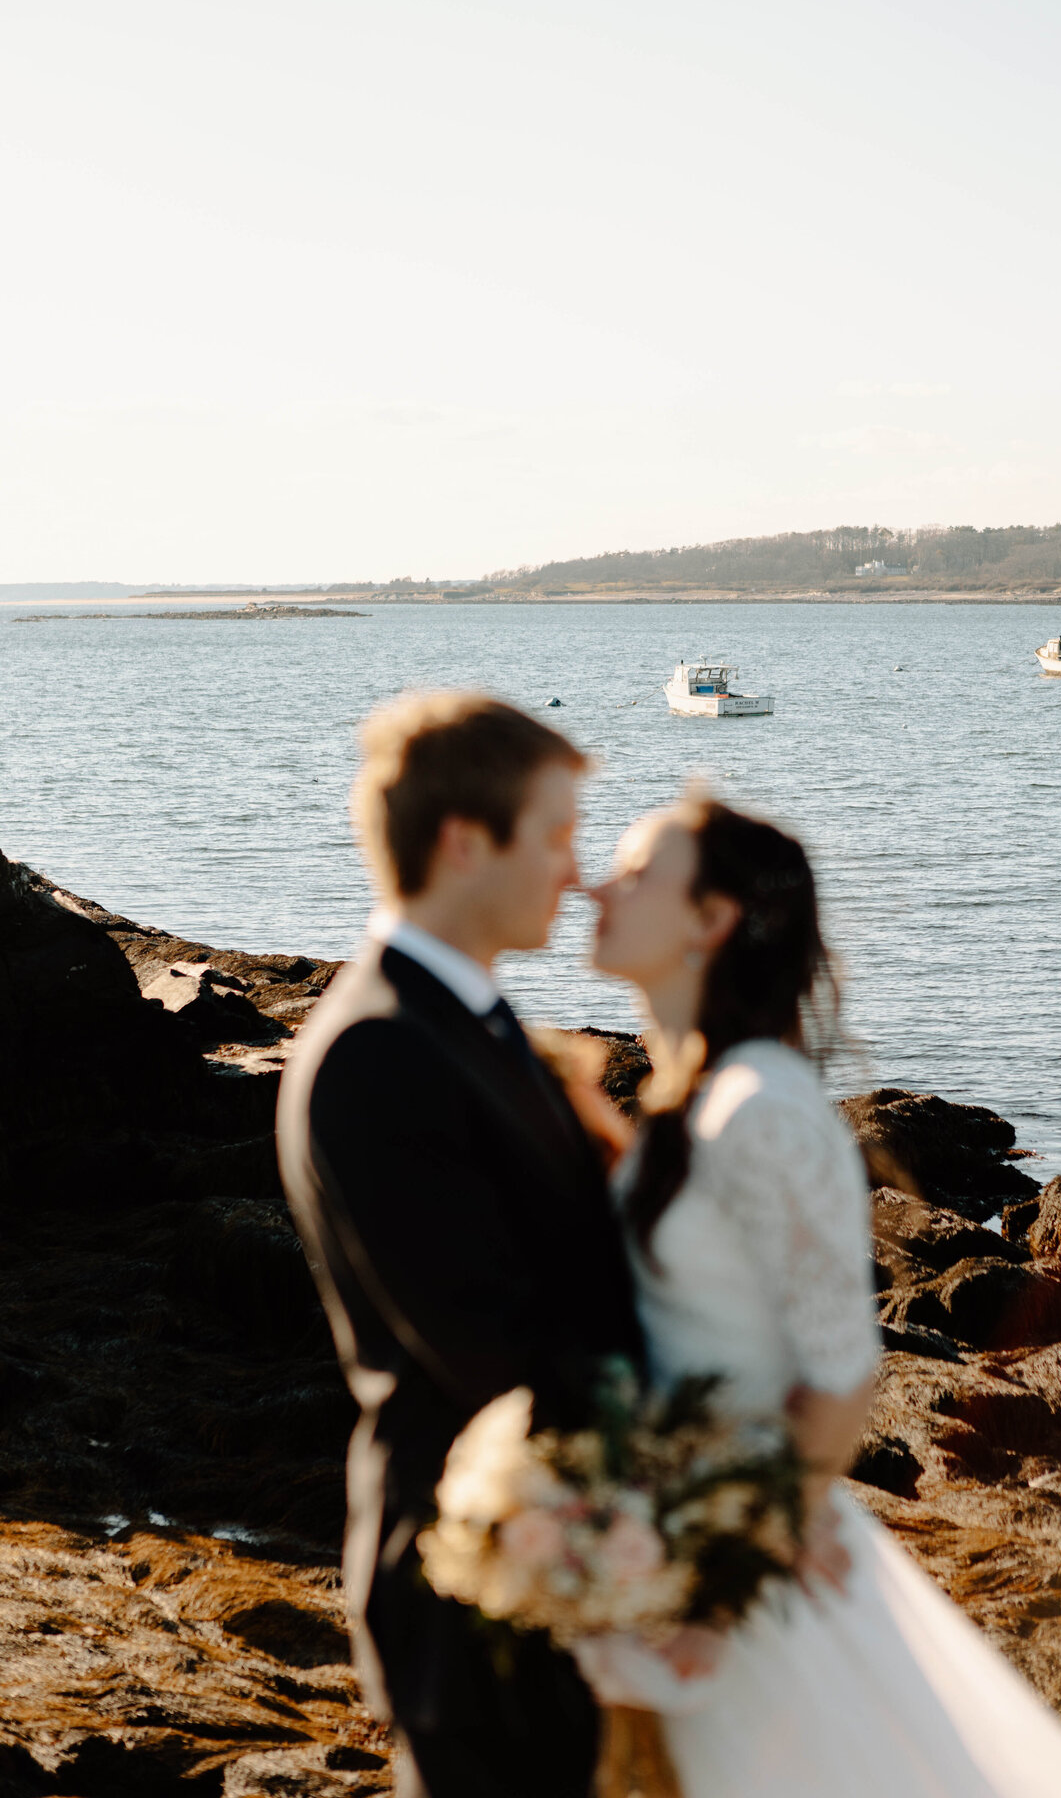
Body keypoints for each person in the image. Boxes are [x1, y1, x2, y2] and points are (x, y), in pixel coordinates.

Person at [583, 793, 1061, 1797]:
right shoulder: (696, 1101)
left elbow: (842, 1378)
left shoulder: (767, 1111)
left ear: (711, 922)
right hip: (665, 1546)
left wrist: (713, 1589)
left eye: (636, 873)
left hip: (739, 1586)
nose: (598, 885)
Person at [277, 692, 642, 1798]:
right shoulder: (376, 1052)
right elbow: (492, 1348)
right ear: (462, 841)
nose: (575, 874)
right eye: (557, 836)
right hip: (475, 1590)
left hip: (554, 1580)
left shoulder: (471, 1026)